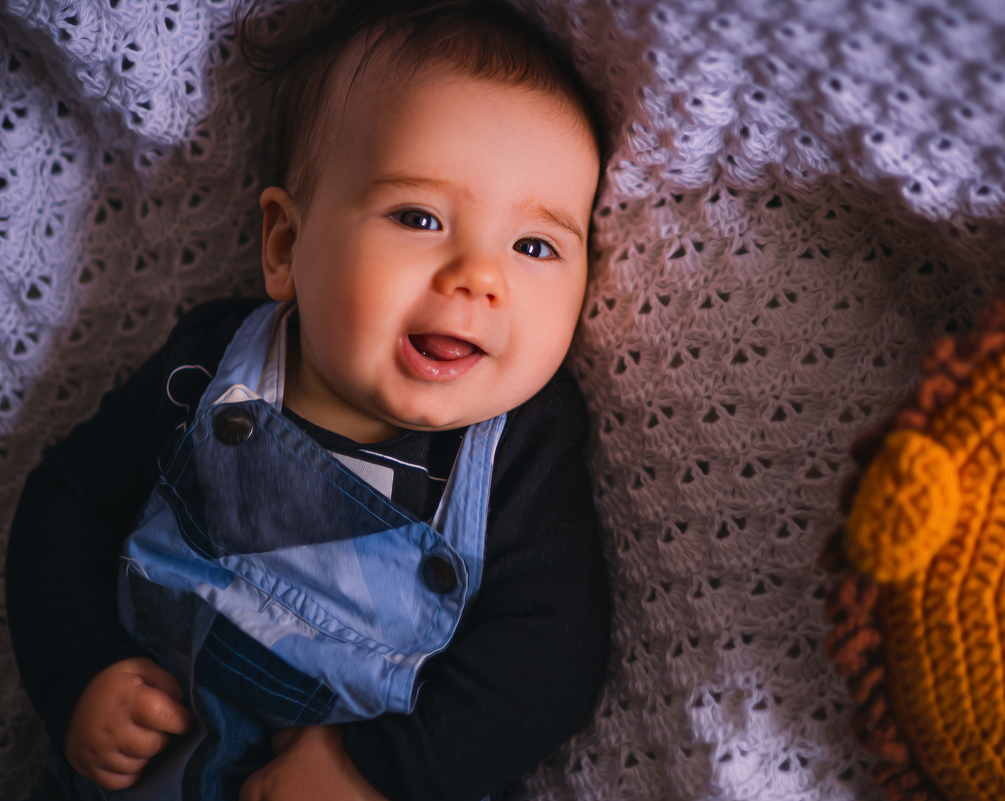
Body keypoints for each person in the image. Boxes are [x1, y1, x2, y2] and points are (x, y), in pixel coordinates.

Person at [7, 2, 611, 799]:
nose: (479, 276)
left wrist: (376, 770)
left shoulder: (518, 449)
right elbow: (66, 503)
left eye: (534, 245)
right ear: (287, 245)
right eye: (420, 217)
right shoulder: (209, 367)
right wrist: (79, 668)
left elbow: (552, 653)